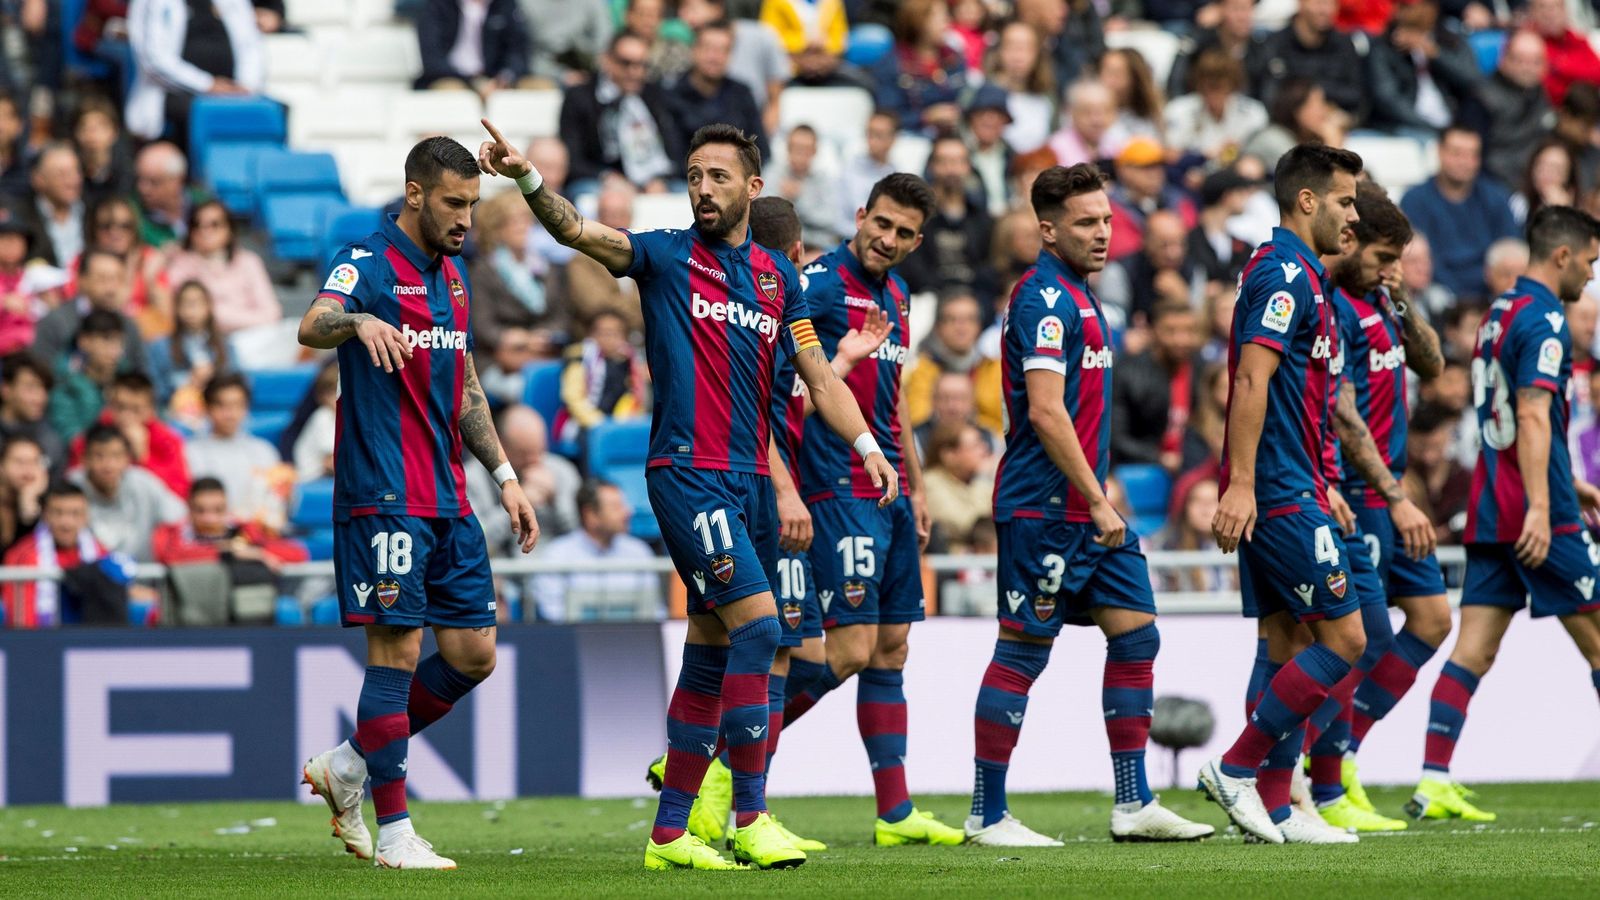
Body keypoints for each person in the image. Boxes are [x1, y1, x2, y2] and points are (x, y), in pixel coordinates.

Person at [482, 119, 897, 870]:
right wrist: (528, 179)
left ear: (753, 187)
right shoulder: (666, 255)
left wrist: (868, 446)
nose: (703, 188)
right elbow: (576, 230)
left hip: (752, 482)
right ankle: (750, 816)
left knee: (710, 651)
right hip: (688, 472)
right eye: (694, 175)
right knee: (762, 630)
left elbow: (819, 375)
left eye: (718, 176)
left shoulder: (779, 279)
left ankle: (670, 834)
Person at [295, 136, 540, 871]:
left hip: (448, 494)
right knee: (396, 653)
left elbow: (465, 388)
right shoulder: (366, 262)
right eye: (453, 203)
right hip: (384, 492)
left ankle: (348, 763)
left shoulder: (455, 278)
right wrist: (358, 321)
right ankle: (397, 835)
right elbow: (313, 323)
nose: (466, 217)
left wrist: (505, 475)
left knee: (473, 654)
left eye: (473, 203)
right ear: (414, 194)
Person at [972, 162, 1213, 846]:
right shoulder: (1045, 300)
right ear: (1048, 231)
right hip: (1044, 508)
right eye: (1086, 222)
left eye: (1106, 219)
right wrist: (1097, 497)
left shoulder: (1083, 296)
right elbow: (1046, 412)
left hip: (1086, 509)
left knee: (1137, 635)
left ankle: (1133, 802)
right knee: (1023, 651)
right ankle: (987, 813)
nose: (1103, 232)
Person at [768, 171, 964, 851]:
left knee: (890, 647)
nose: (889, 239)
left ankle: (896, 812)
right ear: (860, 215)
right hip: (835, 484)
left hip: (889, 489)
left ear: (917, 242)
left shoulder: (899, 294)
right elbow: (788, 388)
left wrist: (916, 484)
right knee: (848, 650)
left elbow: (897, 396)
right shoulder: (818, 285)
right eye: (881, 223)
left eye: (904, 232)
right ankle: (714, 757)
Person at [1200, 143, 1369, 845]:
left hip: (1294, 482)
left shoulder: (1304, 276)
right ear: (1307, 200)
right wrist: (1243, 484)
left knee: (1286, 638)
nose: (1354, 216)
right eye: (1346, 201)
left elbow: (1299, 396)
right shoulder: (1283, 275)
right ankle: (1236, 769)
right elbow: (1249, 379)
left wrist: (1320, 480)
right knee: (1346, 639)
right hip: (1274, 488)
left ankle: (1272, 808)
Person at [1407, 206, 1600, 822]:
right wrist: (1545, 504)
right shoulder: (1546, 319)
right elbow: (1534, 413)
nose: (1590, 276)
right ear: (1562, 255)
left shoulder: (1499, 312)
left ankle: (1433, 779)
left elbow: (1513, 418)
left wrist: (1565, 478)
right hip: (1538, 514)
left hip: (1492, 505)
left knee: (1473, 650)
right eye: (1590, 263)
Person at [1310, 180, 1450, 831]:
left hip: (1393, 490)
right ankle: (1319, 771)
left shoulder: (1382, 300)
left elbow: (1433, 364)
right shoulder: (1335, 307)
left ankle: (1345, 753)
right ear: (1351, 243)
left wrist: (1401, 296)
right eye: (1384, 257)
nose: (1392, 269)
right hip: (1363, 493)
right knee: (1364, 640)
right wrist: (1395, 498)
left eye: (1399, 258)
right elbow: (1341, 416)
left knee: (1432, 620)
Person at [1400, 126, 1520, 300]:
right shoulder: (1414, 200)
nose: (1464, 162)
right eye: (1456, 153)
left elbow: (1511, 248)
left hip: (1491, 291)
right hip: (1435, 291)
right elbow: (1415, 258)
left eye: (1472, 155)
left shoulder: (1496, 198)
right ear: (1439, 151)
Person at [558, 31, 682, 192]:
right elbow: (572, 158)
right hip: (599, 180)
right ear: (607, 60)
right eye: (626, 63)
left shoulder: (653, 94)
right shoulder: (581, 97)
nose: (635, 72)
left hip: (654, 180)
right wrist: (606, 177)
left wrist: (660, 179)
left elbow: (673, 149)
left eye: (642, 65)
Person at [124, 0, 263, 142]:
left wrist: (244, 86)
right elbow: (153, 59)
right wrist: (208, 85)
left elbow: (250, 45)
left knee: (263, 113)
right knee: (199, 114)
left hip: (232, 91)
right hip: (175, 93)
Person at [1, 481, 131, 627]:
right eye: (58, 513)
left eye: (75, 514)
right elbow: (22, 625)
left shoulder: (100, 553)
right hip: (42, 638)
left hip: (88, 638)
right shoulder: (22, 556)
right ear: (45, 515)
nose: (66, 523)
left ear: (86, 516)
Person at [528, 479, 660, 620]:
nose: (628, 512)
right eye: (616, 507)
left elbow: (654, 611)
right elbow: (554, 615)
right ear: (590, 514)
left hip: (633, 634)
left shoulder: (639, 552)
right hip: (575, 634)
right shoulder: (556, 555)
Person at [183, 373, 288, 531]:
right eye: (222, 405)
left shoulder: (264, 451)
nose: (230, 414)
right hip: (206, 535)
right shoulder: (190, 451)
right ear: (207, 408)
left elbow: (277, 504)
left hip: (256, 535)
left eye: (238, 405)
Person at [70, 422, 187, 561]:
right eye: (99, 456)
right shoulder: (71, 487)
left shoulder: (144, 482)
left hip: (144, 571)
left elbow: (180, 516)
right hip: (89, 572)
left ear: (127, 459)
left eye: (116, 456)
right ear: (84, 459)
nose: (108, 465)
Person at [467, 191, 563, 356]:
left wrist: (546, 336)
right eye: (513, 222)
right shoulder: (483, 271)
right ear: (496, 229)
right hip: (500, 356)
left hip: (546, 351)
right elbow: (483, 326)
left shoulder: (546, 266)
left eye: (525, 220)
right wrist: (522, 340)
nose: (522, 227)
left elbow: (561, 315)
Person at [1109, 300, 1202, 471]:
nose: (1182, 340)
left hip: (1190, 465)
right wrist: (1159, 458)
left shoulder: (1201, 370)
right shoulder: (1126, 373)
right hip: (1140, 467)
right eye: (1171, 331)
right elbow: (1116, 438)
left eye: (1189, 331)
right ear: (1153, 332)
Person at [163, 199, 280, 335]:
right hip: (205, 340)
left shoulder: (249, 261)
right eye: (197, 224)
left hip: (254, 337)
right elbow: (186, 313)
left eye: (214, 224)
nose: (205, 231)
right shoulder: (181, 265)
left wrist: (219, 315)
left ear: (229, 229)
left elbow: (272, 313)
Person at [1363, 0, 1479, 135]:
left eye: (1408, 7)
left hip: (1452, 125)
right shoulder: (1383, 46)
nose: (1399, 12)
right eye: (1399, 5)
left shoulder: (1450, 39)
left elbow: (1473, 80)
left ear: (1431, 9)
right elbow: (1387, 98)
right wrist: (1432, 129)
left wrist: (1435, 54)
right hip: (1403, 128)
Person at [68, 371, 190, 497]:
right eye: (120, 407)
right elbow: (76, 483)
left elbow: (179, 492)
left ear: (151, 410)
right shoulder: (90, 438)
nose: (126, 416)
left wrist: (143, 458)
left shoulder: (169, 440)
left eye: (136, 409)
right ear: (109, 405)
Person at [664, 22, 769, 164]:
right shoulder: (672, 95)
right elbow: (672, 155)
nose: (714, 57)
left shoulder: (742, 93)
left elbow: (760, 149)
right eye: (708, 48)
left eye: (723, 50)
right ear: (694, 50)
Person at [1246, 0, 1367, 122]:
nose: (1325, 10)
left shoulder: (1344, 45)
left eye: (1332, 3)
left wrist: (1319, 97)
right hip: (1282, 124)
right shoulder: (1273, 45)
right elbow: (1267, 96)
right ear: (1301, 3)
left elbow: (1357, 96)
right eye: (1318, 3)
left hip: (1334, 121)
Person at [1461, 30, 1552, 190]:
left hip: (1537, 182)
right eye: (1520, 60)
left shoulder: (1541, 94)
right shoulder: (1482, 98)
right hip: (1495, 184)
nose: (1528, 68)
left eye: (1536, 62)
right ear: (1503, 60)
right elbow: (1471, 155)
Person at [903, 291, 1002, 435]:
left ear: (979, 326)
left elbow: (1003, 423)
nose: (961, 328)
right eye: (952, 320)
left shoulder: (994, 368)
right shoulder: (921, 370)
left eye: (969, 320)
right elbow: (918, 422)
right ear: (938, 327)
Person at [75, 195, 173, 338]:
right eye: (106, 226)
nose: (115, 233)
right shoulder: (82, 262)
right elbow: (105, 310)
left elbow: (166, 318)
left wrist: (150, 279)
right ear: (93, 229)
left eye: (125, 226)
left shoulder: (149, 258)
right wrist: (129, 276)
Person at [869, 0, 966, 137]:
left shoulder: (953, 59)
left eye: (947, 15)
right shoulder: (893, 65)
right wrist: (926, 117)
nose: (947, 22)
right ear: (919, 21)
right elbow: (888, 117)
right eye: (940, 16)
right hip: (909, 136)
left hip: (954, 136)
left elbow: (966, 98)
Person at [554, 310, 649, 445]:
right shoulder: (580, 358)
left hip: (619, 422)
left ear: (624, 337)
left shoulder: (630, 362)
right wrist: (599, 423)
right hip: (587, 423)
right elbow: (572, 398)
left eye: (614, 333)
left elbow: (636, 398)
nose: (608, 338)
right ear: (591, 334)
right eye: (602, 333)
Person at [146, 280, 234, 421]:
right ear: (177, 308)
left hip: (217, 415)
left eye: (197, 302)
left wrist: (213, 379)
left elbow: (237, 386)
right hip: (175, 414)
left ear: (209, 306)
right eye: (185, 303)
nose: (192, 309)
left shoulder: (225, 346)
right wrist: (188, 382)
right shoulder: (159, 346)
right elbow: (154, 390)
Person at [1163, 48, 1267, 165]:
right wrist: (1205, 155)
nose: (1212, 94)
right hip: (1190, 171)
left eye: (1219, 87)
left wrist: (1239, 151)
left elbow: (1261, 157)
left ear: (1233, 86)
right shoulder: (1179, 109)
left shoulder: (1253, 112)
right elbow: (1169, 155)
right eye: (1207, 87)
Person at [1097, 212, 1200, 330]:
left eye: (1180, 244)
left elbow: (1200, 329)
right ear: (1145, 241)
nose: (1173, 254)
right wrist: (1126, 336)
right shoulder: (1119, 271)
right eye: (1164, 245)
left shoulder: (1193, 270)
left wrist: (1183, 299)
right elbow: (1110, 324)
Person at [1106, 138, 1198, 263]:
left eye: (1159, 166)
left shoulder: (1177, 198)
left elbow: (1193, 240)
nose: (1155, 174)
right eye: (1146, 167)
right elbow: (1122, 252)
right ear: (1124, 170)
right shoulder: (1110, 207)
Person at [47, 309, 134, 440]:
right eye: (107, 340)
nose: (116, 351)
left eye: (120, 342)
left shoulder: (130, 380)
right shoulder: (65, 386)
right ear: (84, 341)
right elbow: (70, 437)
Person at [414, 0, 534, 95]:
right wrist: (472, 81)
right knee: (453, 91)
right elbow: (433, 60)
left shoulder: (505, 4)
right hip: (451, 77)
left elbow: (518, 51)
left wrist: (505, 77)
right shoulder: (438, 5)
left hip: (494, 78)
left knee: (538, 88)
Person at [760, 124, 840, 249]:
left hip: (815, 245)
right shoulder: (772, 173)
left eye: (805, 149)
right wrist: (783, 198)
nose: (800, 154)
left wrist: (800, 199)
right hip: (777, 245)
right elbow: (761, 213)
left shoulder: (824, 180)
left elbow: (831, 219)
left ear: (814, 151)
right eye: (796, 148)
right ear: (787, 148)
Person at [984, 20, 1057, 154]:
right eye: (1011, 47)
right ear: (999, 52)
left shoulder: (1047, 98)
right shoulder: (983, 93)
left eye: (1026, 48)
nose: (1018, 55)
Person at [922, 422, 993, 551]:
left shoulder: (973, 480)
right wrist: (982, 479)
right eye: (975, 446)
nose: (984, 449)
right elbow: (971, 527)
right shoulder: (930, 484)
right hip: (949, 561)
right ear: (949, 455)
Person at [130, 142, 210, 248]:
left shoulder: (204, 203)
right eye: (139, 179)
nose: (143, 189)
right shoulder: (131, 213)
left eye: (154, 182)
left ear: (177, 181)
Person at [1524, 0, 1600, 108]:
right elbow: (1547, 89)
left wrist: (1562, 67)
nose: (1550, 13)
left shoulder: (1575, 38)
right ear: (1532, 12)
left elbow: (1597, 72)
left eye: (1556, 7)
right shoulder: (1526, 43)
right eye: (1542, 7)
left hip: (1585, 107)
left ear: (1565, 11)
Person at [0, 354, 66, 475]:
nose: (40, 398)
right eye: (31, 388)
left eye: (45, 389)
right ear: (6, 390)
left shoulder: (50, 442)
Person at [837, 111, 899, 238]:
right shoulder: (848, 170)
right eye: (869, 133)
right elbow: (837, 219)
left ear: (893, 139)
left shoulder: (898, 178)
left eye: (879, 135)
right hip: (848, 240)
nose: (872, 141)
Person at [23, 142, 84, 267]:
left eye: (75, 172)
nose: (72, 181)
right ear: (38, 179)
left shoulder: (93, 212)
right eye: (62, 174)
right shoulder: (21, 217)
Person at [1048, 80, 1121, 169]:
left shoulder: (1119, 145)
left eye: (1106, 111)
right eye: (1087, 111)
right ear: (1071, 112)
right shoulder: (1055, 149)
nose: (1097, 120)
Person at [1511, 138, 1580, 226]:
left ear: (1568, 177)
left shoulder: (1578, 217)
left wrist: (1561, 213)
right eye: (1541, 165)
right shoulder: (1518, 203)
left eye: (1555, 169)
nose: (1546, 173)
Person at [0, 433, 47, 551]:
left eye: (34, 462)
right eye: (19, 462)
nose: (27, 469)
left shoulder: (47, 502)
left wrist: (28, 499)